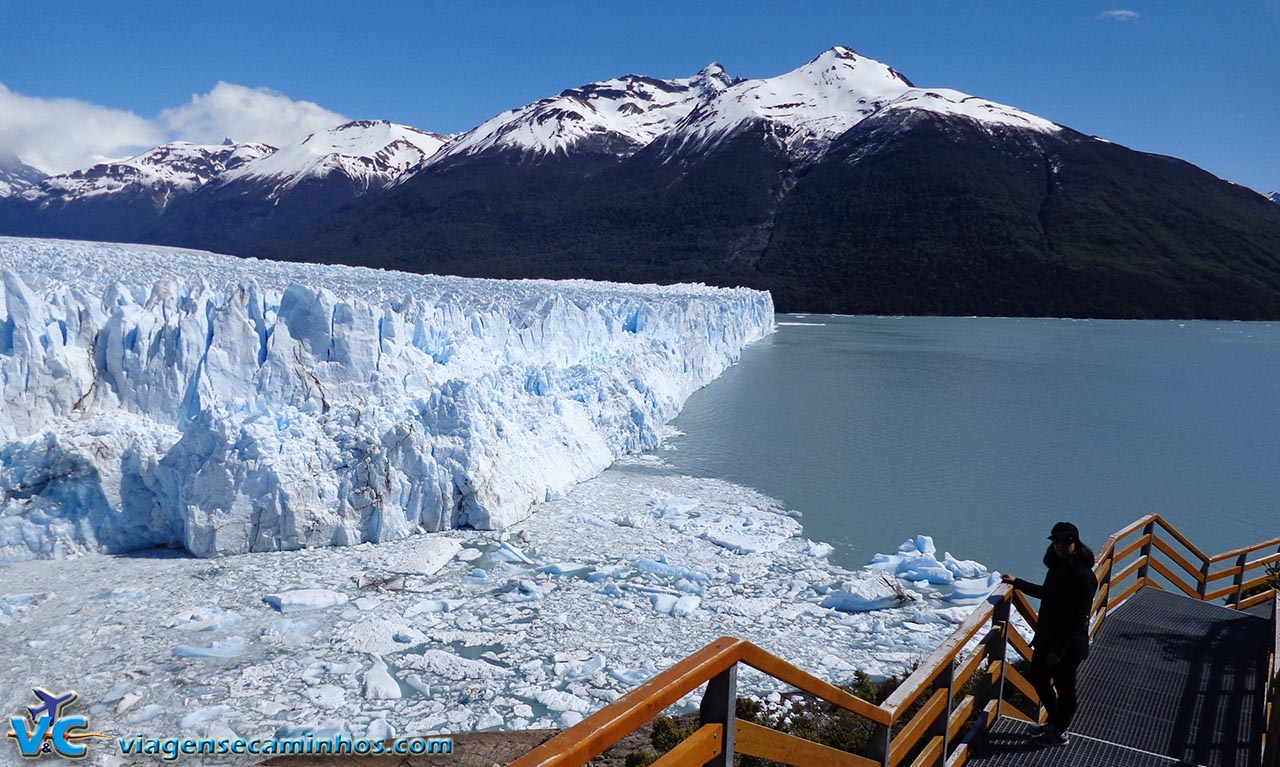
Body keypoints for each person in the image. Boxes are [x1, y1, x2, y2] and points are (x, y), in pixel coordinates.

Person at [1000, 521, 1098, 746]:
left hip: (1068, 644)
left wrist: (1058, 651)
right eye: (1056, 542)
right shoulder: (1058, 567)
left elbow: (1077, 619)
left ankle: (1060, 732)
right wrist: (1019, 583)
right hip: (1049, 638)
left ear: (1075, 543)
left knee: (1065, 689)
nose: (1060, 546)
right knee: (1037, 676)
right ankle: (1054, 724)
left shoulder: (1082, 576)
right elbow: (1049, 594)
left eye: (1065, 542)